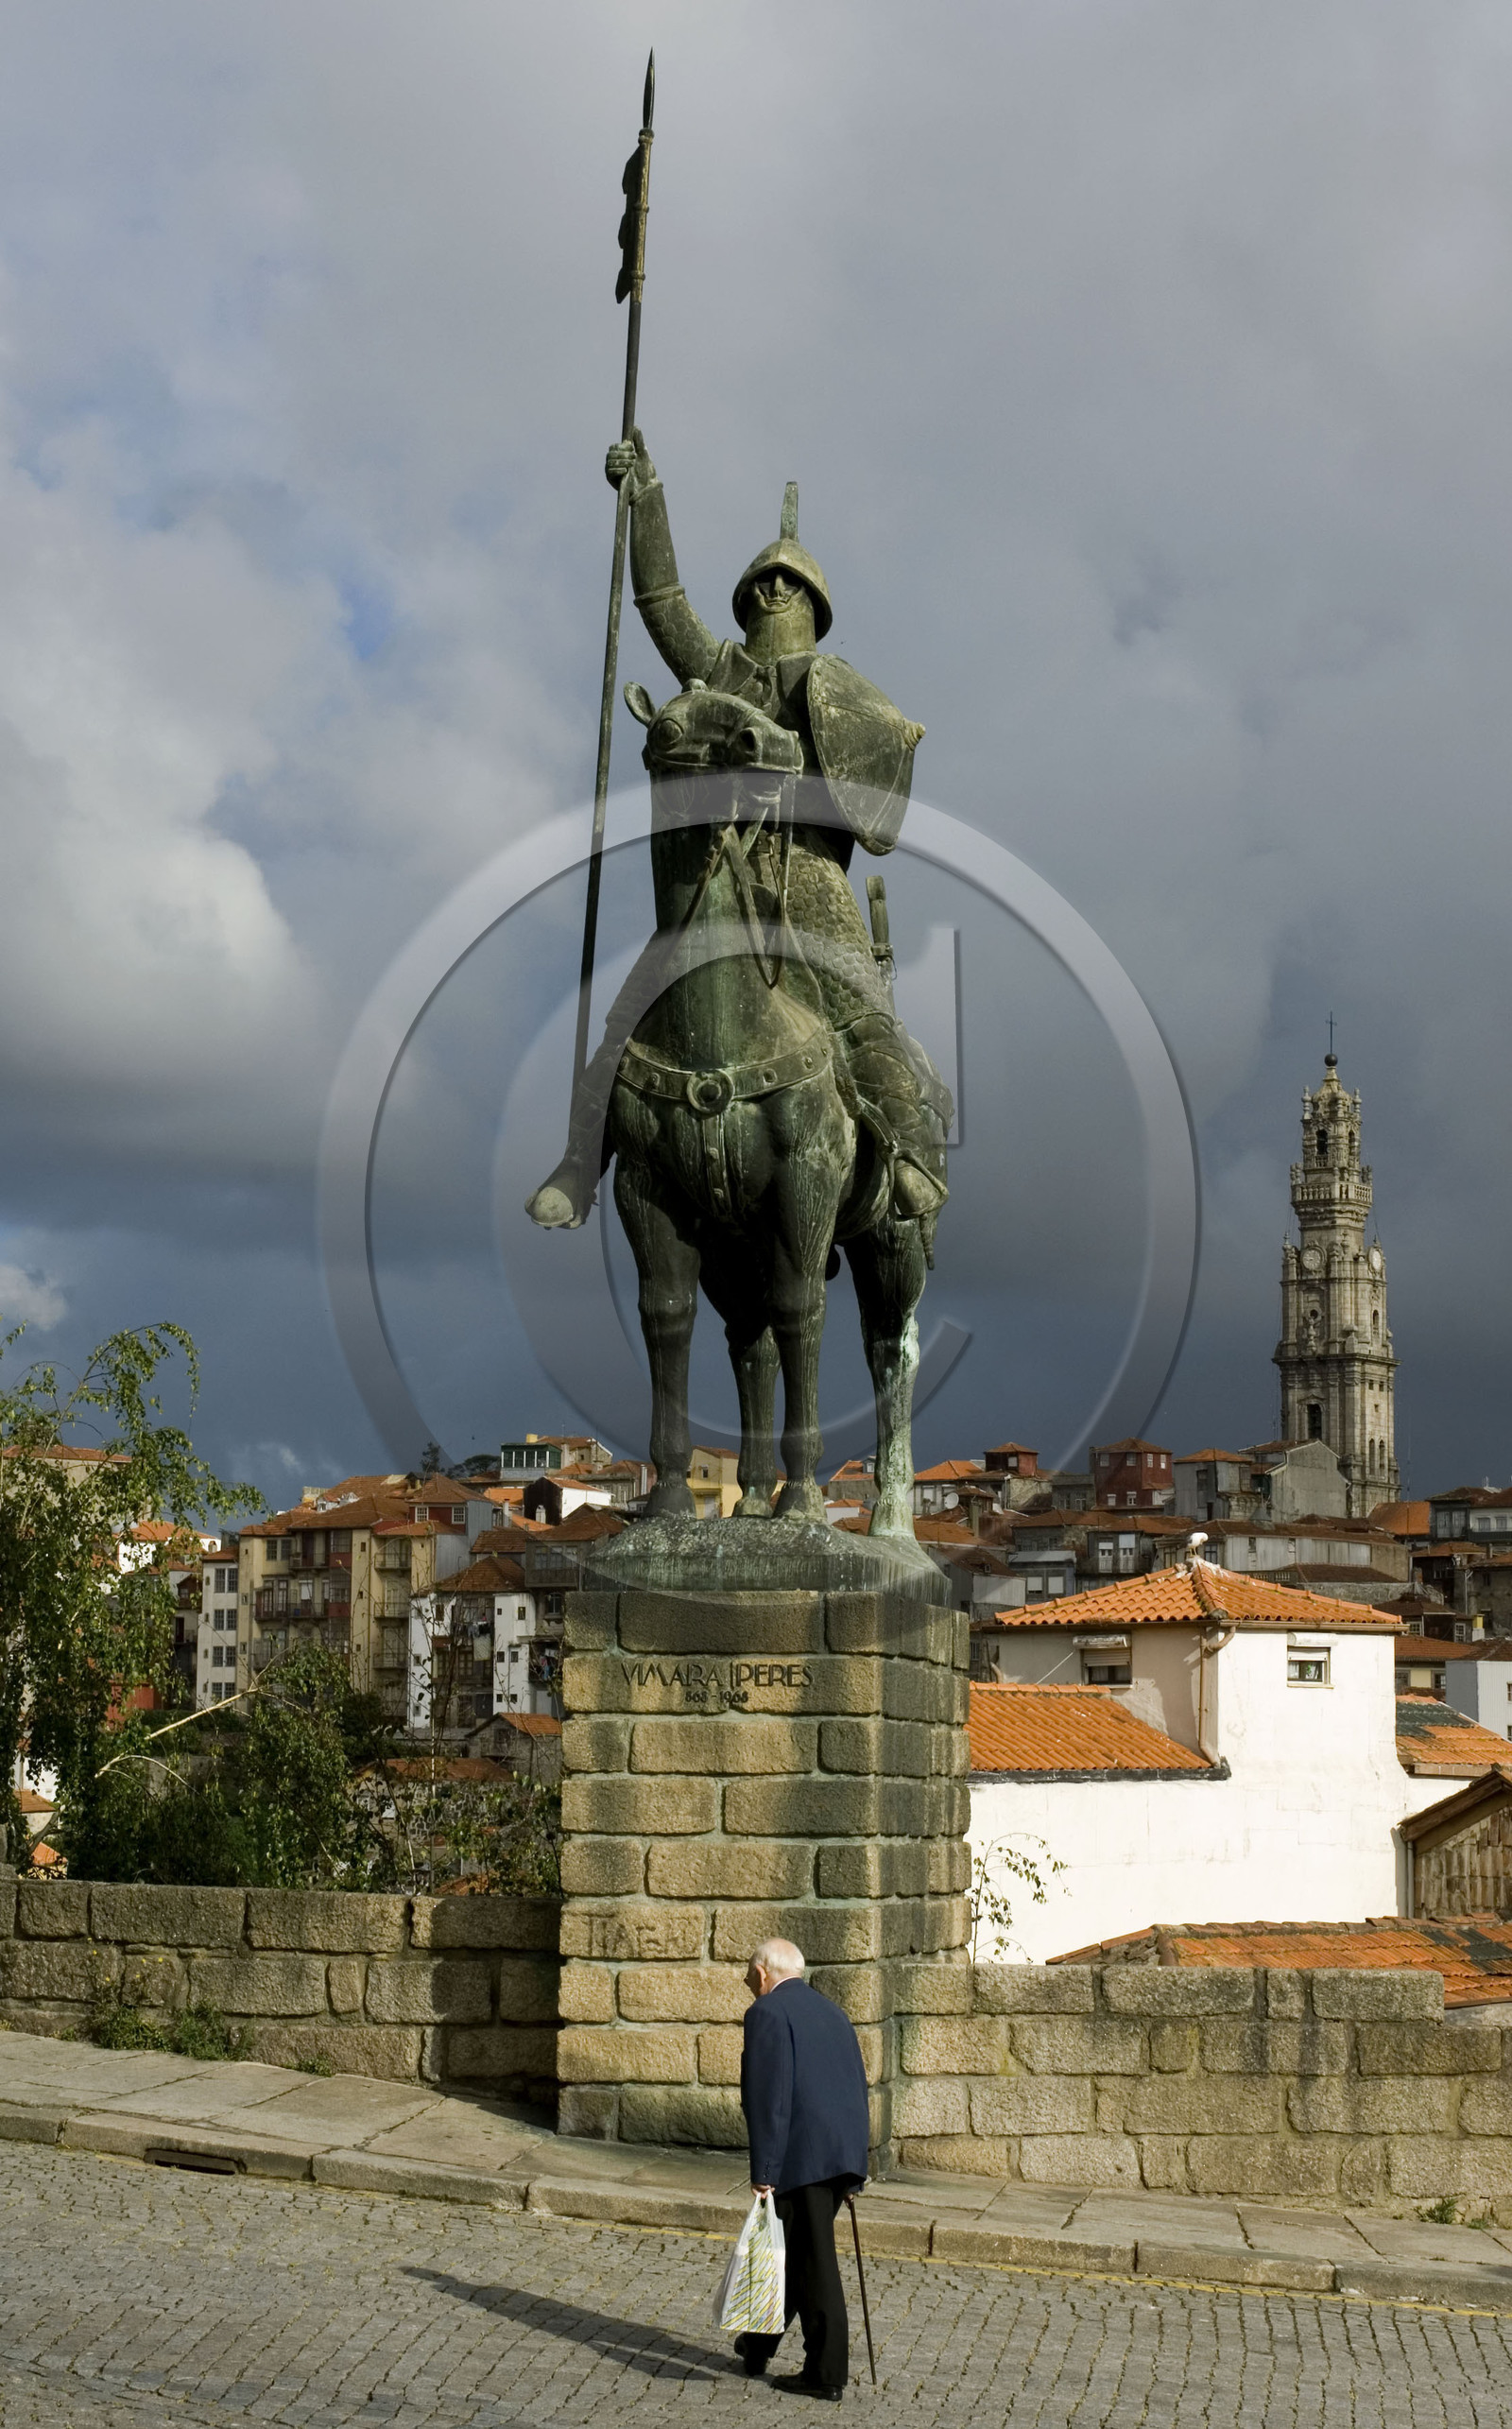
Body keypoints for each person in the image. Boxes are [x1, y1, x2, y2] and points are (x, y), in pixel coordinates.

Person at [525, 429, 949, 1240]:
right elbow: (662, 603)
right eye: (764, 580)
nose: (773, 591)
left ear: (814, 605)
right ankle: (581, 1161)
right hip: (722, 870)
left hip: (812, 880)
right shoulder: (721, 669)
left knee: (865, 1013)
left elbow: (868, 788)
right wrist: (646, 494)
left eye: (788, 583)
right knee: (631, 1010)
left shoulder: (846, 692)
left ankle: (905, 1153)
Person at [736, 1938, 869, 2401]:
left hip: (800, 2159)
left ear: (762, 1972)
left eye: (749, 1975)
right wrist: (853, 2171)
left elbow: (768, 2098)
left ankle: (825, 2372)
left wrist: (764, 2170)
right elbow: (855, 2086)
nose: (749, 1983)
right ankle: (756, 2346)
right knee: (787, 2256)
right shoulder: (833, 2012)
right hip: (835, 2157)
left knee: (810, 2264)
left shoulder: (767, 2013)